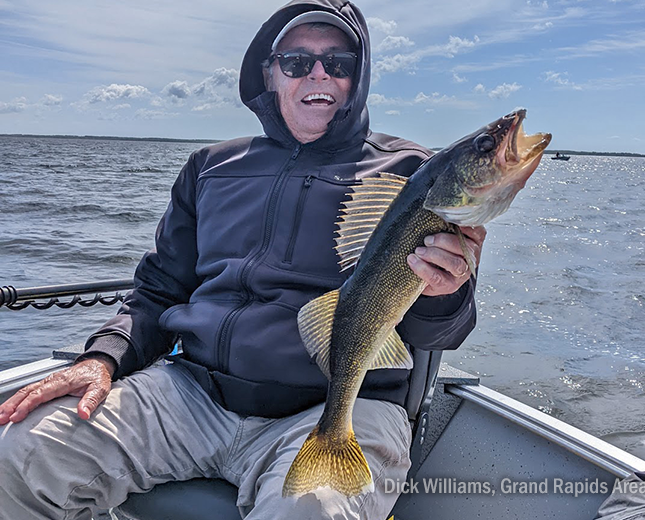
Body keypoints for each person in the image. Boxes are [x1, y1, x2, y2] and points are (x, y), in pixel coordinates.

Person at [0, 1, 486, 518]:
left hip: (335, 409)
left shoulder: (415, 174)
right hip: (191, 392)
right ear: (269, 73)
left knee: (312, 509)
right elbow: (159, 289)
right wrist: (104, 357)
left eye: (338, 63)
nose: (318, 73)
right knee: (16, 453)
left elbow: (440, 335)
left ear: (357, 78)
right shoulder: (210, 167)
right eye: (297, 61)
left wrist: (446, 289)